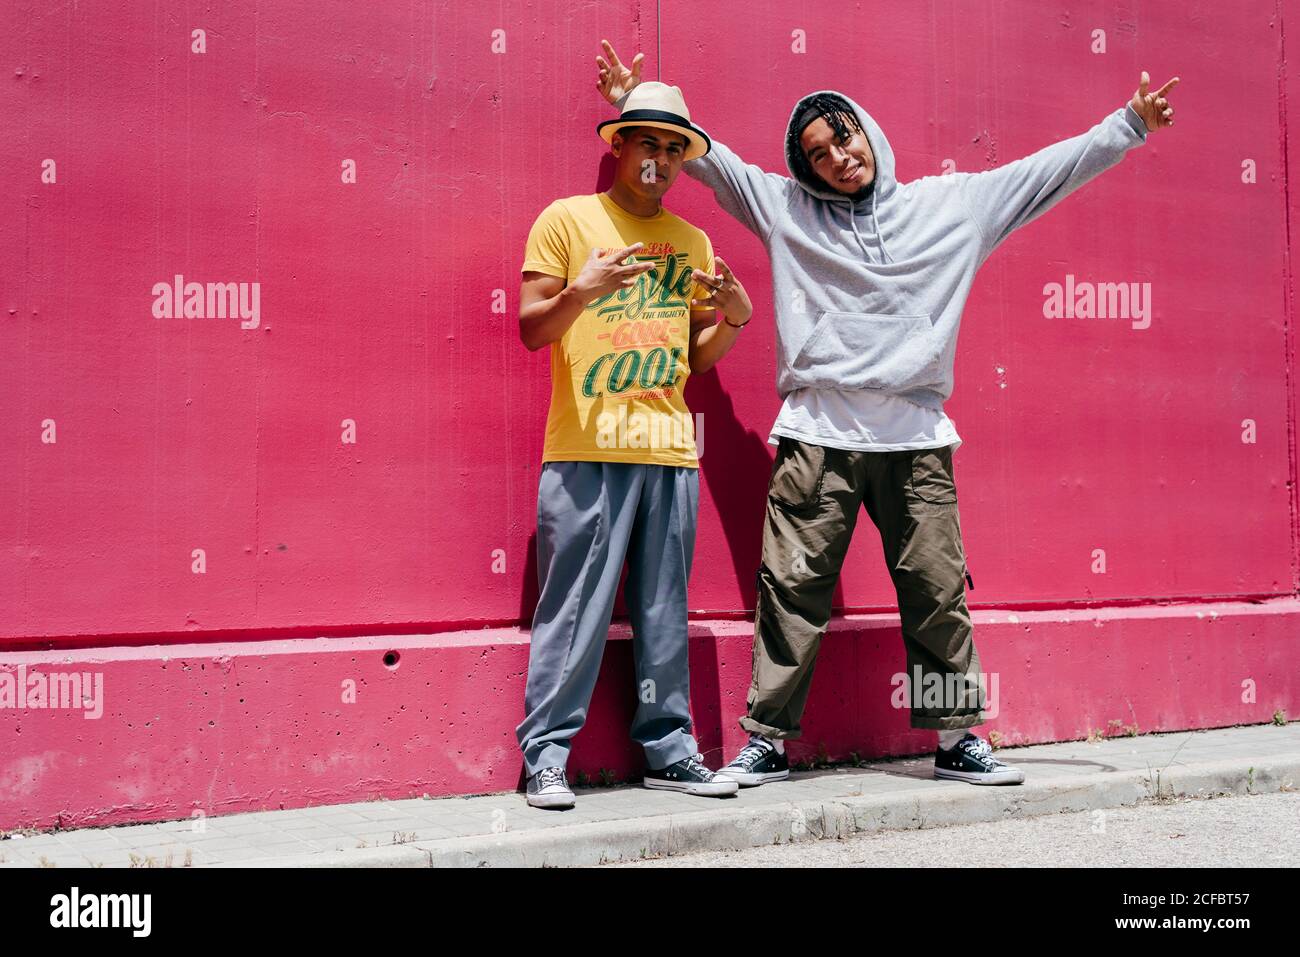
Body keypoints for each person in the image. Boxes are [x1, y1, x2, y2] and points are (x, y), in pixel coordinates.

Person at [597, 40, 1178, 787]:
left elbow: (1044, 175)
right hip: (816, 435)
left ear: (865, 129)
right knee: (791, 589)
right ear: (805, 171)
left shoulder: (954, 207)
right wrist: (631, 103)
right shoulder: (787, 210)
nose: (839, 156)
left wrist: (1126, 125)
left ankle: (956, 739)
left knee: (935, 594)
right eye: (817, 154)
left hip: (917, 437)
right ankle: (768, 741)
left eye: (843, 135)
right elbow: (716, 163)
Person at [516, 80, 755, 808]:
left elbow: (695, 355)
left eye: (673, 148)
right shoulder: (566, 219)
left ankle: (671, 748)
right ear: (618, 145)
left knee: (661, 611)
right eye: (647, 142)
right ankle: (546, 757)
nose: (660, 158)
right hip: (586, 446)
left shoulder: (692, 241)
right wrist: (583, 290)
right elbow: (532, 329)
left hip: (668, 451)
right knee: (575, 608)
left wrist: (737, 319)